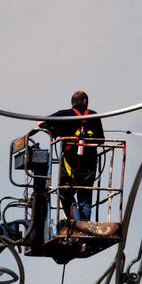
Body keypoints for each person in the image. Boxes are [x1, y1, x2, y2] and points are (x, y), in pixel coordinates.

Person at [40, 91, 104, 221]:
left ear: (73, 103)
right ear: (85, 102)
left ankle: (75, 223)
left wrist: (56, 131)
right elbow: (101, 140)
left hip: (71, 163)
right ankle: (84, 223)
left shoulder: (64, 115)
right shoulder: (94, 115)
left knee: (65, 193)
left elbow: (40, 123)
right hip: (89, 165)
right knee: (85, 195)